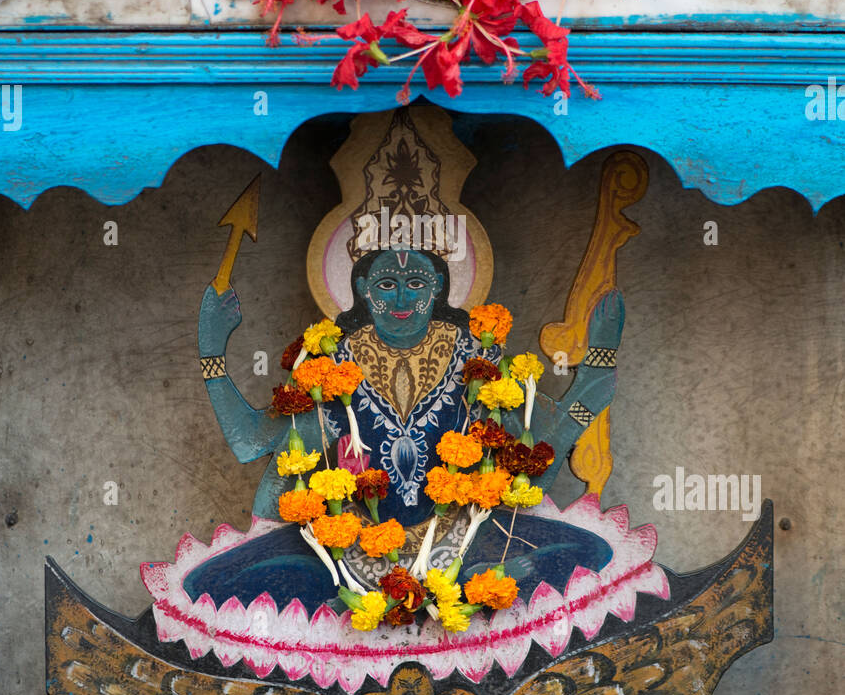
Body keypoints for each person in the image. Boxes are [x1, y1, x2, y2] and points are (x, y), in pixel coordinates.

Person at [186, 246, 624, 613]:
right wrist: (212, 351)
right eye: (385, 285)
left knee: (593, 555)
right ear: (362, 291)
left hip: (466, 540)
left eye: (415, 284)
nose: (400, 297)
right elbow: (249, 442)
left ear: (437, 289)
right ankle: (366, 605)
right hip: (346, 552)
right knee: (212, 584)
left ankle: (465, 589)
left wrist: (599, 363)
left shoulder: (477, 358)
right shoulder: (327, 364)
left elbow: (537, 465)